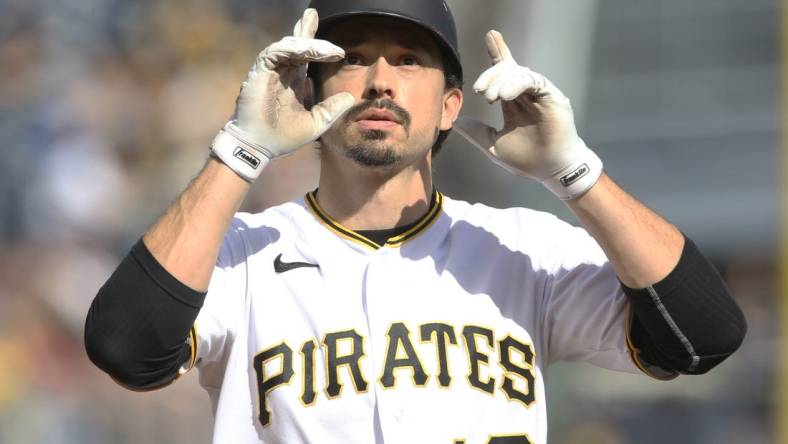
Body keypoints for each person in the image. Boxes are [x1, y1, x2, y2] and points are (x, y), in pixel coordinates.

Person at [85, 1, 746, 443]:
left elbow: (702, 336)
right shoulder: (242, 255)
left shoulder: (520, 248)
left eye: (408, 59)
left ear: (451, 105)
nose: (379, 81)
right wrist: (241, 149)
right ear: (309, 91)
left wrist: (575, 171)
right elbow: (125, 348)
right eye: (352, 57)